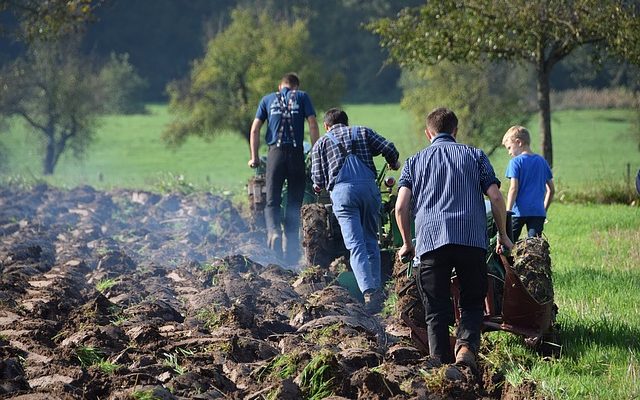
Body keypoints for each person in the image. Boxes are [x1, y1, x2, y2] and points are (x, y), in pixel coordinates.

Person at [395, 107, 513, 368]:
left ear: (428, 133)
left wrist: (406, 243)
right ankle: (465, 349)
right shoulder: (476, 156)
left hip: (431, 242)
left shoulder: (414, 162)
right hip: (471, 240)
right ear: (455, 130)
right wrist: (503, 235)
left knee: (435, 309)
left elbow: (401, 206)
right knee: (472, 301)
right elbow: (495, 197)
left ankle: (438, 363)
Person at [311, 108, 400, 313]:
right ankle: (377, 287)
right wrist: (392, 162)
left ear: (326, 126)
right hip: (369, 191)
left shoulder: (322, 143)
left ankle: (368, 292)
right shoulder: (362, 132)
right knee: (371, 239)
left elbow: (317, 181)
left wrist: (321, 185)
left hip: (343, 195)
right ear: (346, 123)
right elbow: (388, 147)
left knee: (355, 244)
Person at [248, 73, 319, 264]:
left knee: (272, 199)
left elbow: (255, 129)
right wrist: (316, 152)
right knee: (294, 203)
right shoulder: (302, 97)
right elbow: (312, 124)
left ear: (281, 86)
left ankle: (273, 232)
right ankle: (291, 246)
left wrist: (254, 157)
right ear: (296, 86)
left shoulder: (267, 99)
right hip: (296, 155)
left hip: (275, 155)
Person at [502, 126, 555, 239]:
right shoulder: (542, 161)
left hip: (518, 212)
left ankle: (510, 258)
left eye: (509, 148)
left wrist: (508, 212)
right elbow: (551, 190)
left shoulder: (515, 162)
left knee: (509, 244)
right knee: (534, 248)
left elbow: (513, 189)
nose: (509, 152)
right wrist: (543, 209)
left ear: (519, 142)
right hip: (538, 212)